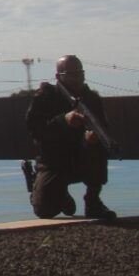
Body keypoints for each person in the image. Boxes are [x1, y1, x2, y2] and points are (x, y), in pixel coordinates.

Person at [24, 55, 117, 220]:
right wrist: (62, 121)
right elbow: (35, 130)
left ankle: (93, 201)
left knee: (98, 147)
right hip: (53, 162)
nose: (78, 78)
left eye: (80, 73)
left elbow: (104, 128)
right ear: (59, 76)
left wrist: (91, 139)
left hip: (82, 159)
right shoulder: (46, 97)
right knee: (45, 210)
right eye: (72, 74)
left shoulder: (92, 99)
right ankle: (46, 189)